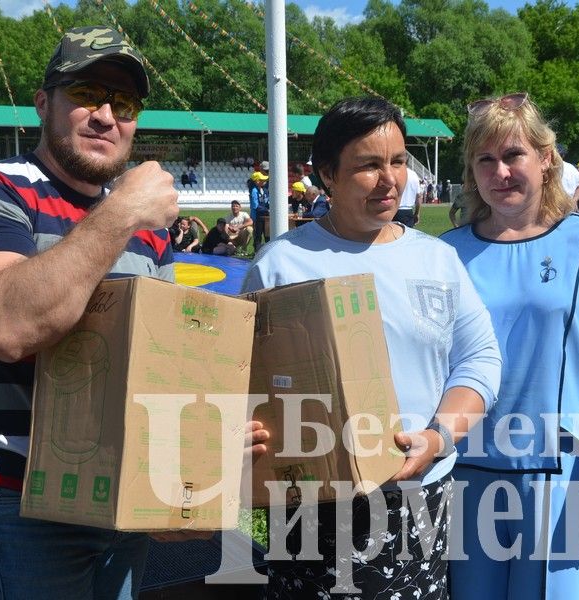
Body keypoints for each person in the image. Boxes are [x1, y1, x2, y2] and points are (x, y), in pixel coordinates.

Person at [0, 25, 266, 600]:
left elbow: (167, 364)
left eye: (125, 103)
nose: (106, 115)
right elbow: (7, 326)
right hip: (23, 497)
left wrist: (183, 471)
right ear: (44, 104)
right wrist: (123, 213)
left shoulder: (148, 231)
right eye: (87, 94)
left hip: (127, 491)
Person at [243, 96, 501, 599]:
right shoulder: (281, 265)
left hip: (418, 494)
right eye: (368, 165)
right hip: (312, 505)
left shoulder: (437, 259)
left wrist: (439, 438)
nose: (390, 180)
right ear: (327, 175)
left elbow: (480, 359)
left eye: (399, 161)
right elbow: (243, 381)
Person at [440, 92, 579, 599]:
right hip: (463, 471)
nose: (501, 172)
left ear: (546, 158)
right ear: (472, 171)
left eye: (513, 155)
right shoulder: (445, 254)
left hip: (562, 475)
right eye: (485, 160)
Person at [249, 170, 269, 251]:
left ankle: (268, 251)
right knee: (258, 235)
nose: (265, 181)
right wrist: (267, 210)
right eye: (262, 179)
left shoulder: (263, 189)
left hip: (265, 216)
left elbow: (267, 201)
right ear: (257, 181)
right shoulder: (254, 190)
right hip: (257, 217)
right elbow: (255, 206)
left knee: (267, 235)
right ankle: (257, 252)